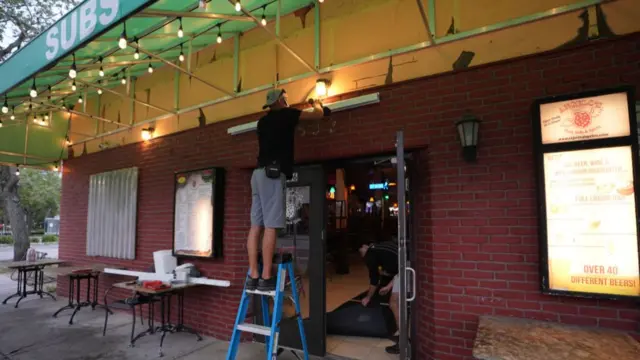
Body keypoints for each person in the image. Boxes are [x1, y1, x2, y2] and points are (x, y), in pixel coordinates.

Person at [246, 88, 330, 292]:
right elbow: (318, 115)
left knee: (256, 226)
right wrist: (316, 103)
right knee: (271, 226)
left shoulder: (262, 122)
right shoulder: (287, 114)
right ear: (283, 100)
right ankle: (266, 276)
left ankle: (253, 274)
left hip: (257, 175)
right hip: (272, 175)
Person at [359, 240, 402, 355]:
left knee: (394, 303)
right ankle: (401, 335)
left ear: (364, 250)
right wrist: (388, 287)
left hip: (406, 270)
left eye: (361, 251)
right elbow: (399, 264)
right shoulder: (379, 247)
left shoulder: (370, 255)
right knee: (395, 302)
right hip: (406, 267)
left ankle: (403, 342)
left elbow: (374, 280)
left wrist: (368, 298)